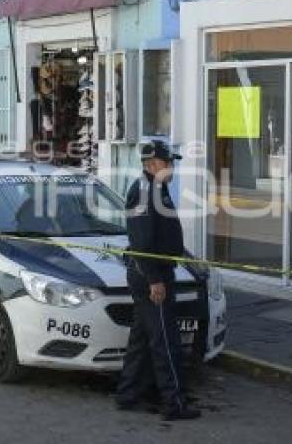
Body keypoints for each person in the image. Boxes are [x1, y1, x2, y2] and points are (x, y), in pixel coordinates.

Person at [115, 140, 201, 422]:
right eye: (169, 163)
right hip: (151, 275)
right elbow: (141, 241)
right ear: (153, 165)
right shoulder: (144, 191)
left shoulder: (156, 188)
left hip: (155, 272)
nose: (172, 167)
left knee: (141, 339)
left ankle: (127, 394)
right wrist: (155, 280)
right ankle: (173, 403)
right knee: (166, 341)